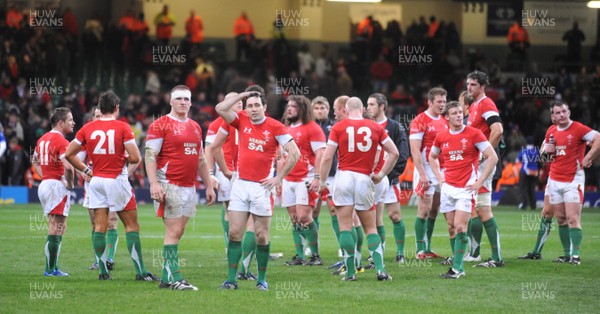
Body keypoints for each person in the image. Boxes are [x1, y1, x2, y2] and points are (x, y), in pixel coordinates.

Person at [65, 91, 158, 281]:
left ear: (100, 107)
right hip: (116, 179)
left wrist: (86, 170)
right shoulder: (123, 127)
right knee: (132, 226)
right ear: (116, 108)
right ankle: (140, 272)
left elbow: (68, 154)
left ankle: (103, 271)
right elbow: (135, 158)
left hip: (96, 181)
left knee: (100, 226)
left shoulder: (87, 128)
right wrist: (119, 156)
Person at [216, 85, 300, 291]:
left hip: (261, 188)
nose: (252, 109)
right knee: (235, 233)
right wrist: (243, 94)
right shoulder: (241, 120)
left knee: (262, 236)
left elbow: (294, 153)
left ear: (264, 107)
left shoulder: (275, 127)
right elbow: (220, 108)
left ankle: (261, 279)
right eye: (249, 106)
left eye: (256, 105)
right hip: (240, 184)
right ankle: (231, 280)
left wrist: (278, 177)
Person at [319, 97, 399, 282]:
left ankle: (350, 273)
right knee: (371, 227)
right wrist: (381, 174)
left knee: (345, 226)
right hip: (365, 178)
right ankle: (381, 271)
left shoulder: (338, 127)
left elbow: (327, 157)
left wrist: (322, 181)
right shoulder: (376, 127)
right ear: (362, 109)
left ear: (346, 109)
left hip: (344, 177)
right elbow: (394, 152)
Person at [145, 85, 216, 290]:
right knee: (174, 230)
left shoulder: (195, 126)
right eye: (179, 99)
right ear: (171, 101)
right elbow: (150, 155)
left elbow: (201, 159)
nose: (183, 102)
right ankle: (175, 278)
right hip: (169, 184)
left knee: (179, 231)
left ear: (191, 102)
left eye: (186, 99)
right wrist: (153, 183)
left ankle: (167, 278)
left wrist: (209, 186)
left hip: (189, 187)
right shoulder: (160, 124)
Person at [429, 101, 498, 279]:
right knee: (452, 227)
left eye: (461, 112)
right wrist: (439, 177)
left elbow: (493, 157)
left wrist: (479, 181)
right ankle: (458, 264)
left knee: (460, 227)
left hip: (466, 189)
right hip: (447, 188)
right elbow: (432, 156)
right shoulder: (441, 137)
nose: (459, 115)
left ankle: (457, 268)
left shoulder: (474, 134)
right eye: (454, 113)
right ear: (447, 117)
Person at [206, 92, 259, 280]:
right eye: (235, 101)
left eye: (240, 101)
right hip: (232, 173)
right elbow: (211, 149)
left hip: (236, 173)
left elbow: (212, 148)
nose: (238, 104)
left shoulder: (229, 121)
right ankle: (241, 261)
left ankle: (234, 254)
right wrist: (213, 174)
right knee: (245, 219)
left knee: (233, 214)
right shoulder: (223, 123)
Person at [541, 101, 600, 265]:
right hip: (554, 179)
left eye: (564, 111)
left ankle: (575, 256)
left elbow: (598, 139)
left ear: (569, 112)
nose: (561, 115)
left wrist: (588, 157)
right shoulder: (551, 131)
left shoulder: (579, 128)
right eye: (557, 112)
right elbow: (546, 155)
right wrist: (547, 153)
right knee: (560, 218)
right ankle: (566, 254)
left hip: (573, 180)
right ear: (553, 115)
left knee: (573, 218)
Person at [464, 70, 504, 267]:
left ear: (482, 86)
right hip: (475, 164)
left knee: (483, 209)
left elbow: (497, 130)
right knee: (476, 209)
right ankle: (475, 253)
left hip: (482, 165)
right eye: (468, 84)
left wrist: (484, 153)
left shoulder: (486, 104)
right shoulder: (474, 106)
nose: (468, 87)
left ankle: (497, 258)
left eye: (472, 84)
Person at [281, 95, 326, 266]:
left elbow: (321, 153)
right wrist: (279, 179)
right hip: (288, 179)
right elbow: (282, 156)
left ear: (303, 109)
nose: (289, 109)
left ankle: (315, 255)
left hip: (305, 178)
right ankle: (299, 255)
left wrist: (317, 177)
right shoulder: (286, 128)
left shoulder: (312, 128)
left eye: (294, 106)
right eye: (289, 106)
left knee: (304, 217)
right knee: (294, 218)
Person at [366, 93, 409, 266]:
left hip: (387, 179)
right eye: (367, 104)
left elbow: (402, 153)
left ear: (382, 106)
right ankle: (378, 253)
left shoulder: (395, 127)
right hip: (368, 180)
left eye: (371, 104)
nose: (368, 108)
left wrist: (389, 175)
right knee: (374, 218)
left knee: (395, 215)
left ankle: (400, 253)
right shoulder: (365, 126)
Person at [33, 108, 75, 276]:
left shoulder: (42, 139)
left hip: (45, 184)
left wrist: (46, 176)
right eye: (70, 120)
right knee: (55, 227)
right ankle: (50, 269)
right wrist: (69, 183)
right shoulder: (62, 142)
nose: (73, 122)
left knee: (59, 226)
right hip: (56, 186)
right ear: (60, 122)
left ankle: (53, 266)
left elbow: (35, 161)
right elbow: (69, 167)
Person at [408, 87, 448, 261]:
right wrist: (422, 174)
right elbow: (415, 150)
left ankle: (428, 248)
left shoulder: (445, 121)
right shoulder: (420, 120)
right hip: (426, 170)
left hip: (442, 169)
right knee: (423, 211)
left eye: (444, 102)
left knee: (434, 210)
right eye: (439, 102)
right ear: (429, 102)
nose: (442, 105)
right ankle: (419, 250)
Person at [80, 108, 120, 271]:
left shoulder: (115, 133)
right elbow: (75, 159)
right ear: (92, 118)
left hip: (111, 183)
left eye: (101, 116)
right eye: (96, 116)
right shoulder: (87, 136)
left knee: (111, 222)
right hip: (92, 186)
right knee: (96, 225)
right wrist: (83, 172)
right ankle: (99, 260)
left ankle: (109, 258)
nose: (99, 119)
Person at [312, 96, 343, 266]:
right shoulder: (309, 127)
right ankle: (312, 246)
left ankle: (341, 245)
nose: (320, 111)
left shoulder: (335, 126)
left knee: (334, 210)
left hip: (332, 174)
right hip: (313, 174)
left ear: (328, 109)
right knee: (312, 212)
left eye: (322, 108)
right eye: (316, 108)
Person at [517, 137, 539, 210]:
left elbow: (517, 160)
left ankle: (524, 204)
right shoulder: (536, 151)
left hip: (525, 171)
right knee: (532, 189)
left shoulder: (524, 151)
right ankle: (533, 205)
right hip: (534, 172)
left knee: (523, 189)